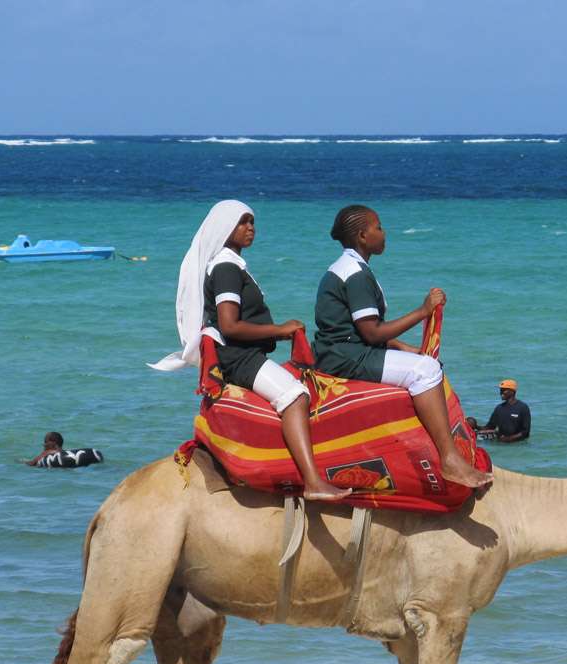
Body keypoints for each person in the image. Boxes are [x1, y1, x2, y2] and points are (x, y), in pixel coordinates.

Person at [178, 200, 349, 501]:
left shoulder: (231, 264)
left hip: (244, 354)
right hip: (238, 357)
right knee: (296, 396)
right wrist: (280, 330)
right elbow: (230, 326)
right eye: (242, 222)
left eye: (252, 222)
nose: (250, 228)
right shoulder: (227, 267)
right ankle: (313, 481)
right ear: (224, 228)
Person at [312, 205, 491, 489]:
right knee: (427, 371)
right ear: (362, 235)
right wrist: (422, 311)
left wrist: (401, 347)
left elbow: (361, 328)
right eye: (379, 227)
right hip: (347, 357)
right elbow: (371, 333)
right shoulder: (355, 274)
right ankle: (449, 459)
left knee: (420, 362)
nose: (384, 233)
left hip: (343, 350)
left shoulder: (349, 268)